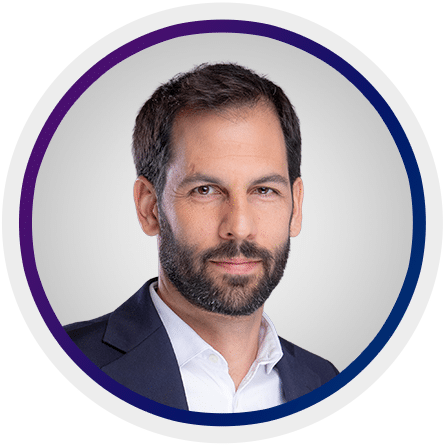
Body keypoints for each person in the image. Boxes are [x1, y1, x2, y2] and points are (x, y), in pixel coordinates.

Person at [64, 63, 338, 413]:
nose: (239, 227)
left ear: (295, 207)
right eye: (205, 190)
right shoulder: (62, 363)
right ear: (150, 208)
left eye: (264, 190)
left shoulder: (326, 383)